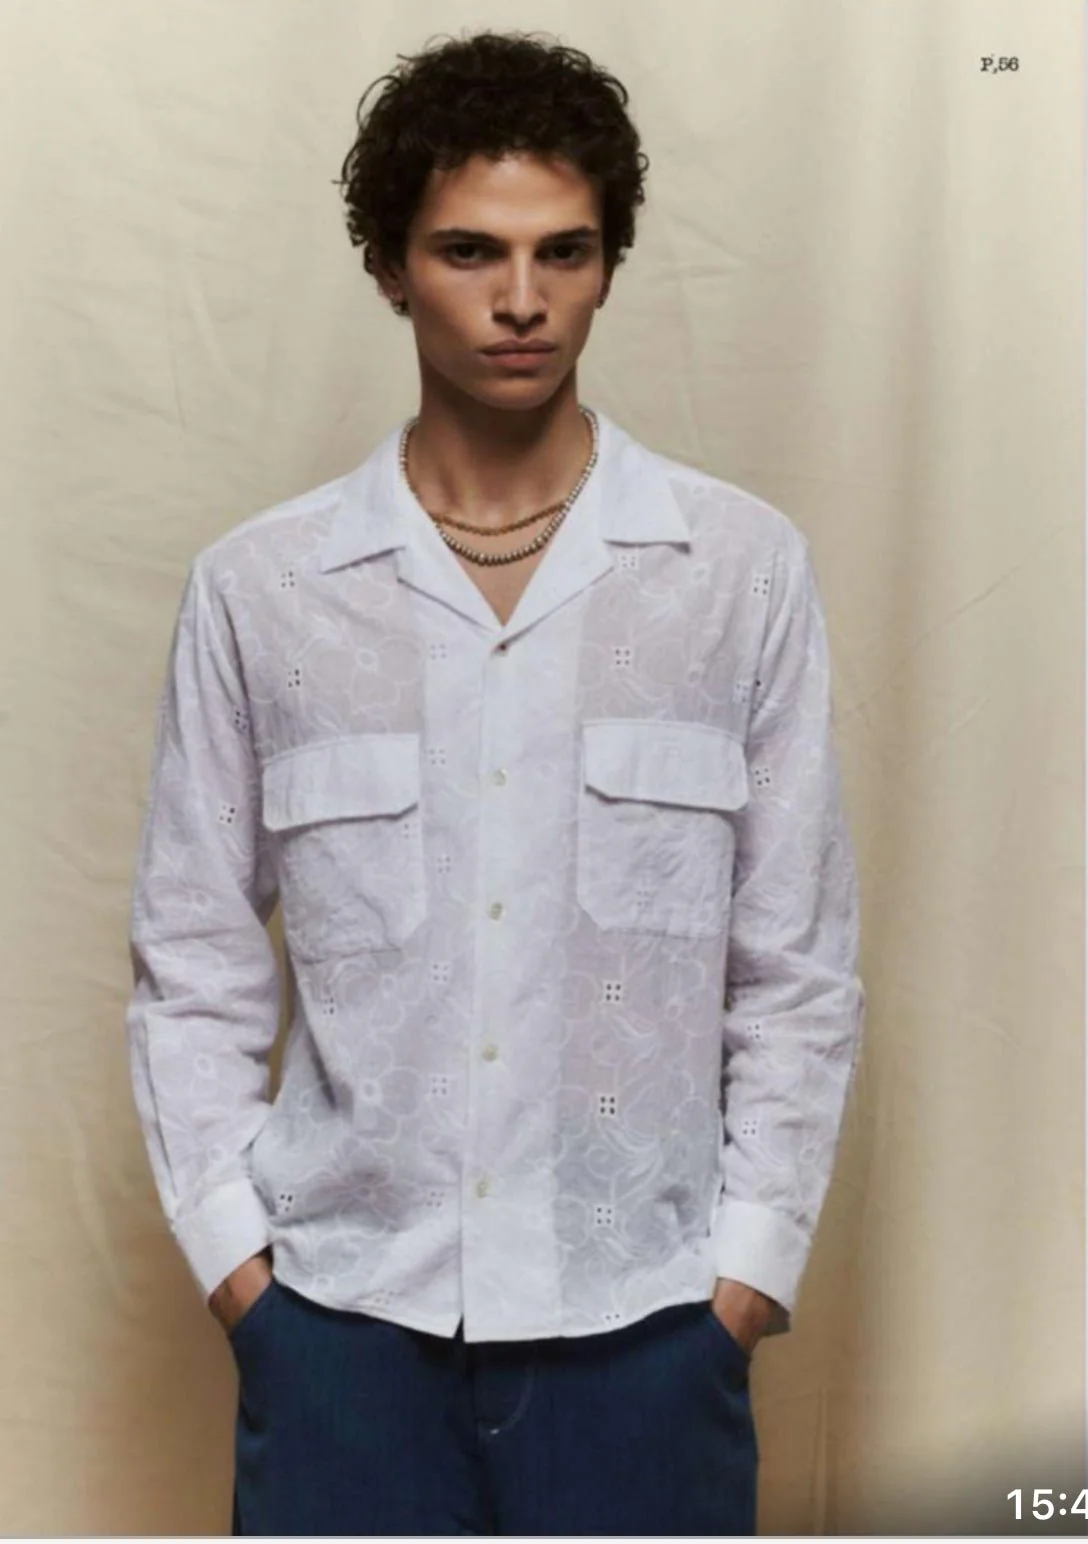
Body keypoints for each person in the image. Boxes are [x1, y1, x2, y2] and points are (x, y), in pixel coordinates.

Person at [124, 26, 865, 1537]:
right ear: (390, 269)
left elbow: (795, 968)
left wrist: (744, 1279)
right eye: (469, 251)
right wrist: (241, 1274)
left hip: (650, 1328)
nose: (521, 299)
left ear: (607, 267)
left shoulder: (737, 572)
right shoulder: (262, 589)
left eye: (562, 252)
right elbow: (191, 960)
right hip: (338, 1331)